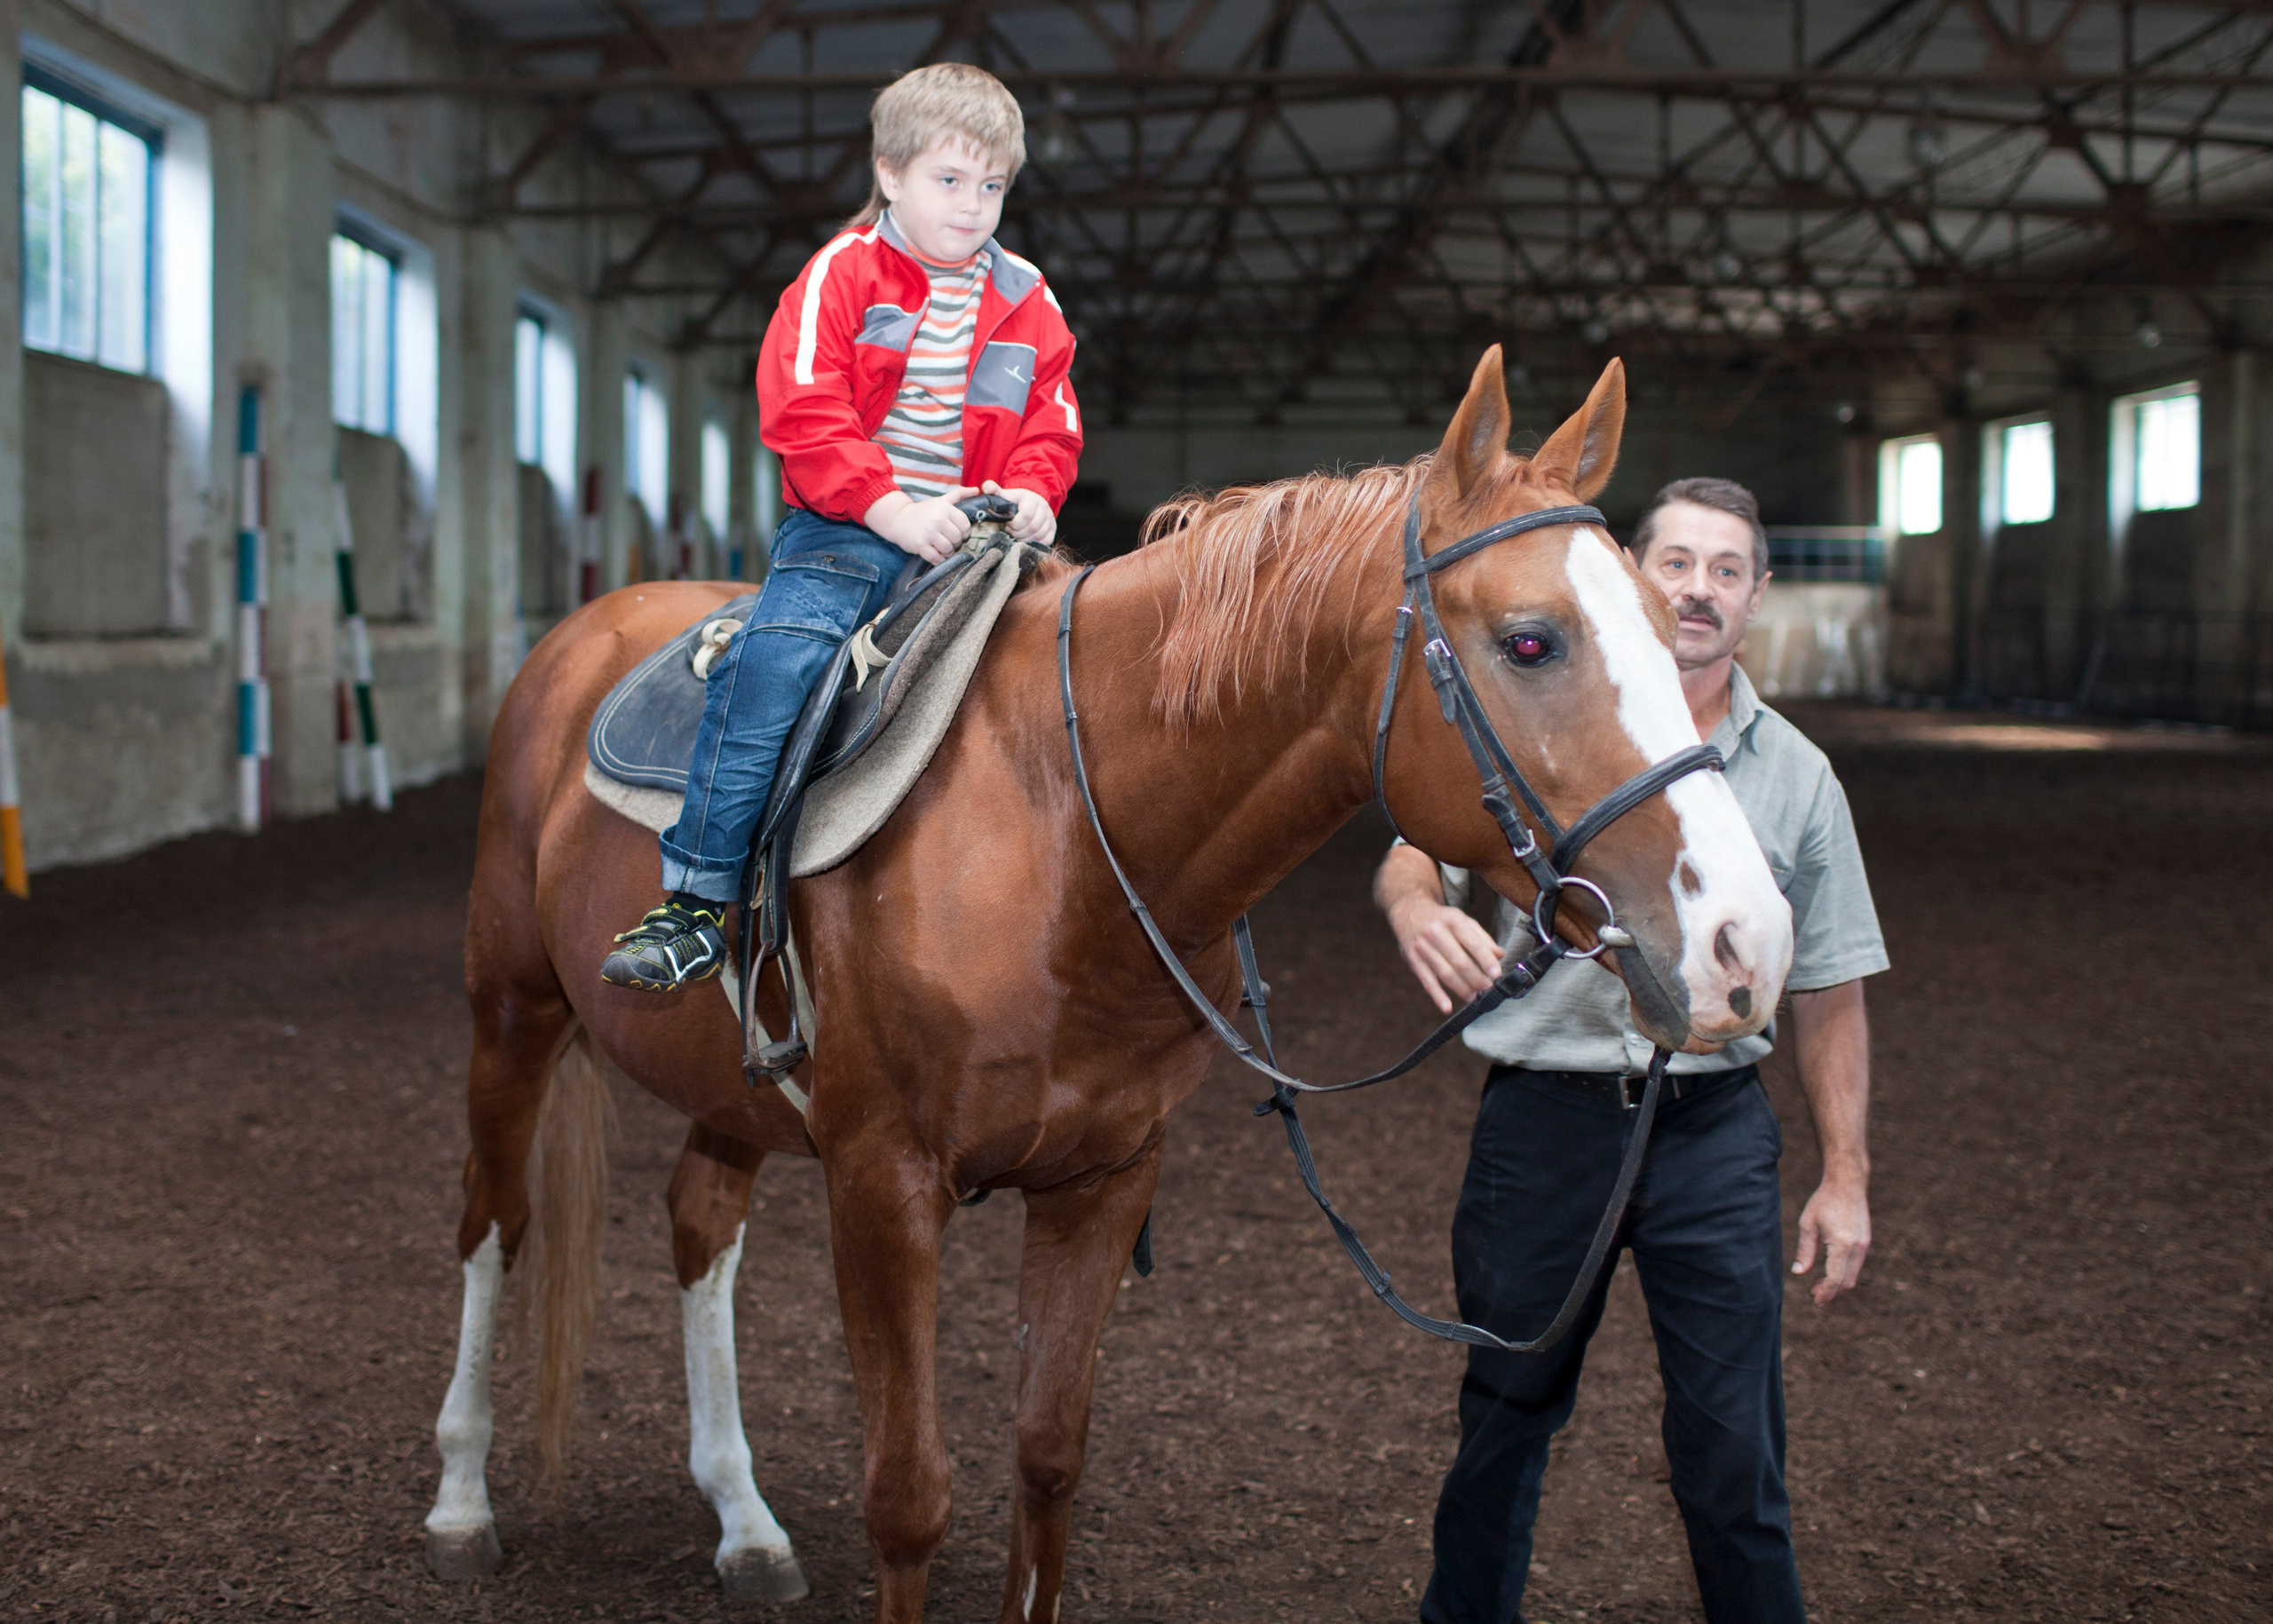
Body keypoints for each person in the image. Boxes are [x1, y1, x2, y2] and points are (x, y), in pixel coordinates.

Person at [1374, 478, 1887, 1624]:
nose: (1699, 588)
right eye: (1678, 563)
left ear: (1756, 596)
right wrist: (1413, 904)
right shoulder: (1548, 715)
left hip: (1711, 1130)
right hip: (1545, 1124)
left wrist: (1845, 1175)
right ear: (1632, 579)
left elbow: (1834, 985)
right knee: (1500, 1428)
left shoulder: (1799, 775)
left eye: (1727, 569)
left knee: (1734, 1454)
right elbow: (1421, 845)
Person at [603, 63, 1082, 991]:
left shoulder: (1031, 298)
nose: (973, 207)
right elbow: (805, 409)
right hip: (851, 528)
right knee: (776, 661)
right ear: (890, 173)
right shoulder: (840, 274)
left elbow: (1051, 421)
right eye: (950, 181)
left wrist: (1032, 493)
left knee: (1077, 662)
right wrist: (892, 507)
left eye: (992, 187)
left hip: (984, 536)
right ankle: (698, 898)